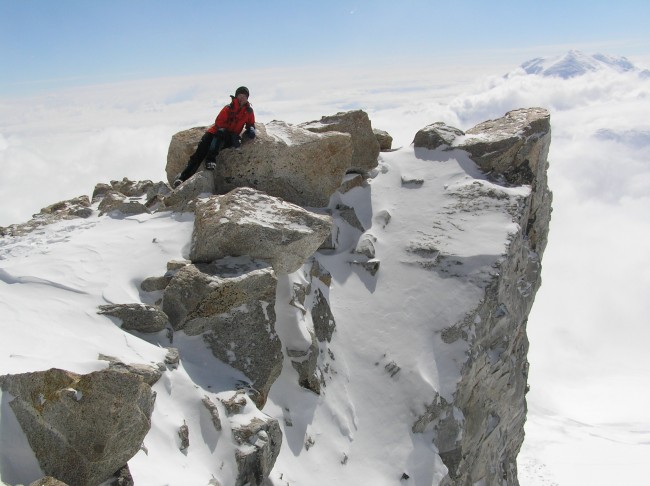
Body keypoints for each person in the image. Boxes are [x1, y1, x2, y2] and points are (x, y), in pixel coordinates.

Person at [173, 86, 256, 188]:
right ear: (236, 96)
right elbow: (219, 122)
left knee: (219, 139)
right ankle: (182, 178)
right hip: (217, 132)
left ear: (247, 98)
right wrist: (226, 131)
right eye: (240, 95)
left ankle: (211, 160)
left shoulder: (248, 111)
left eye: (244, 96)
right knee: (200, 151)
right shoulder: (228, 108)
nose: (242, 98)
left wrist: (251, 129)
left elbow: (250, 123)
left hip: (228, 138)